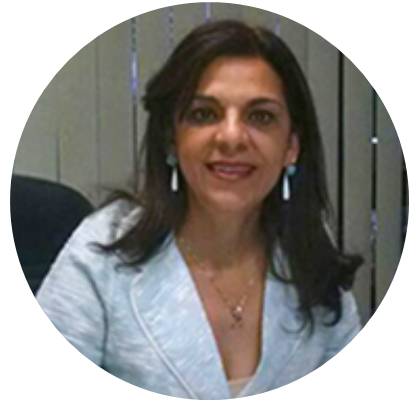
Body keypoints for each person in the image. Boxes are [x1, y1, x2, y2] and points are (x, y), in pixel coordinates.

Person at [36, 19, 363, 399]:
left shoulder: (311, 257)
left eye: (260, 116)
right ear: (171, 140)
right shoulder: (101, 253)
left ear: (291, 146)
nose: (231, 137)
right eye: (204, 114)